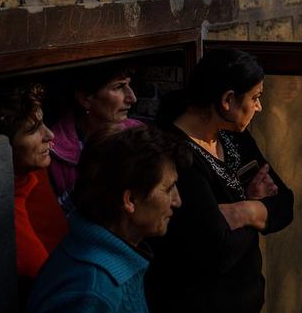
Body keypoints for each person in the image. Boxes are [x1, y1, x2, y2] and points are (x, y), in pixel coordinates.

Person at [146, 49, 294, 313]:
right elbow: (218, 250)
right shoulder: (175, 152)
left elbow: (285, 204)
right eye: (255, 98)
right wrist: (258, 208)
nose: (259, 107)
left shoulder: (234, 136)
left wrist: (243, 210)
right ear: (227, 100)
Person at [27, 125, 191, 312]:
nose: (177, 201)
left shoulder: (105, 262)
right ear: (130, 200)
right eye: (168, 189)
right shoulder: (91, 291)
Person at [0, 83, 68, 307]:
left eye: (43, 124)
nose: (50, 135)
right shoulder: (3, 215)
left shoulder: (36, 172)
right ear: (3, 145)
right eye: (33, 130)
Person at [49, 62, 142, 213]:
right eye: (118, 87)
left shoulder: (139, 134)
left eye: (129, 85)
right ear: (86, 98)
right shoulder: (52, 149)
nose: (132, 98)